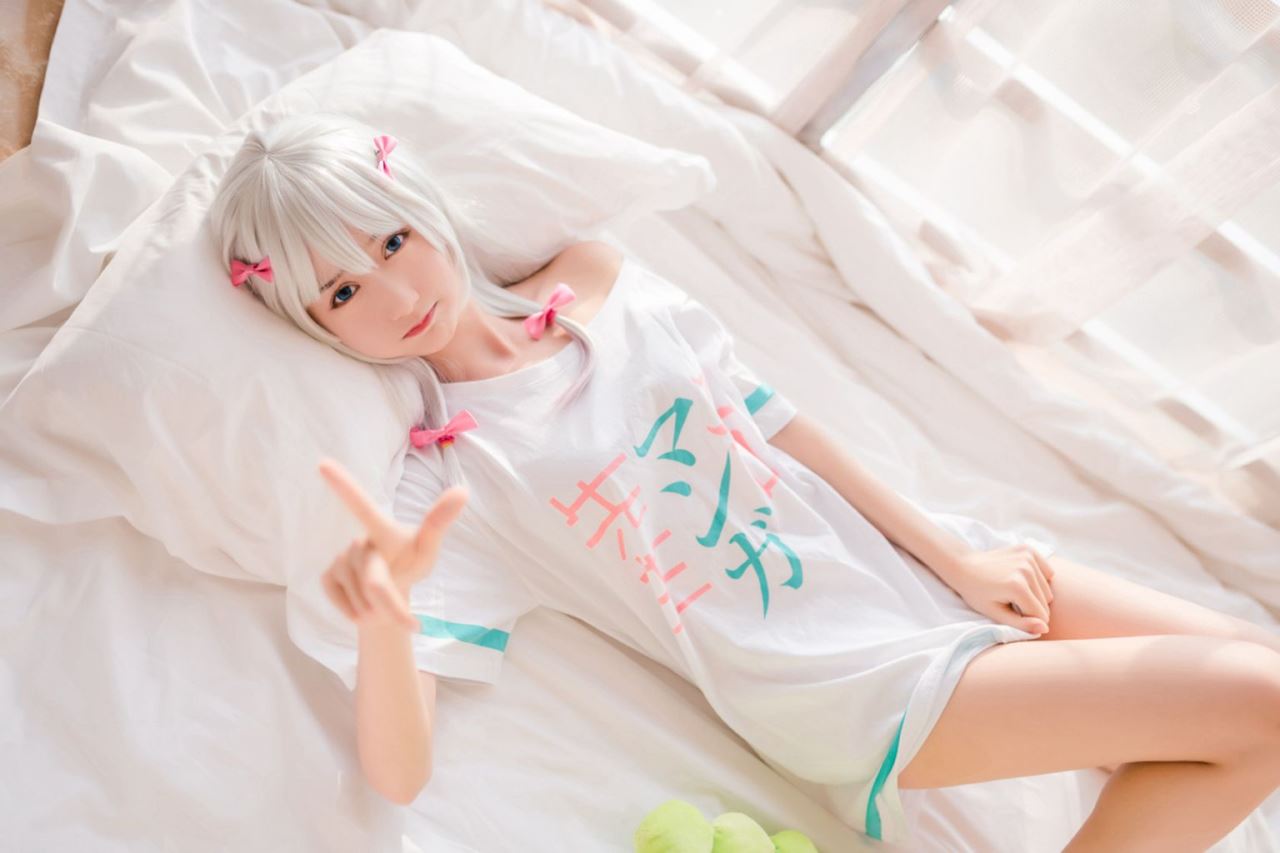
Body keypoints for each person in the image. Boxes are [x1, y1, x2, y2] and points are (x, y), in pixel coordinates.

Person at [209, 111, 1280, 849]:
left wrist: (953, 556)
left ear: (424, 208)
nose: (395, 291)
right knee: (1259, 706)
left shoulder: (598, 277)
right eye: (342, 292)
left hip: (908, 568)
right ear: (315, 324)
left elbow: (776, 422)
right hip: (840, 680)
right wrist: (387, 621)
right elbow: (398, 773)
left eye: (393, 240)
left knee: (1252, 677)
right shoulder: (448, 480)